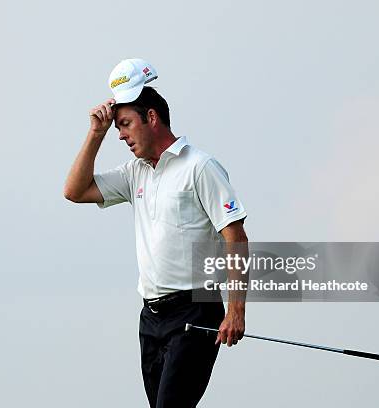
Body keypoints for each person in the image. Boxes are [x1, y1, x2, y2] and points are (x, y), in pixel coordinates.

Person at [63, 59, 249, 408]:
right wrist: (95, 133)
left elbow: (236, 238)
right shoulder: (135, 173)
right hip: (151, 318)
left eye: (125, 124)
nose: (120, 135)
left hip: (196, 310)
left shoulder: (199, 167)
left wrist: (236, 310)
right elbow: (75, 191)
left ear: (151, 117)